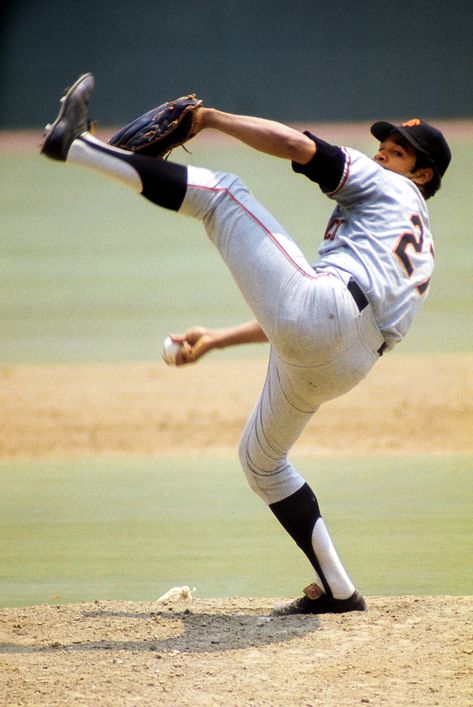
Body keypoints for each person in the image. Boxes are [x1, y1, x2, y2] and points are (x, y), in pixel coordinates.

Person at [41, 73, 451, 615]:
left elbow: (298, 146)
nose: (381, 154)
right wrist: (218, 339)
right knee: (262, 461)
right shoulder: (418, 247)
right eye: (383, 145)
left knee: (224, 193)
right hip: (344, 361)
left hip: (326, 318)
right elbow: (310, 318)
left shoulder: (389, 187)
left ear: (421, 175)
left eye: (397, 153)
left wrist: (210, 120)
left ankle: (77, 147)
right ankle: (339, 590)